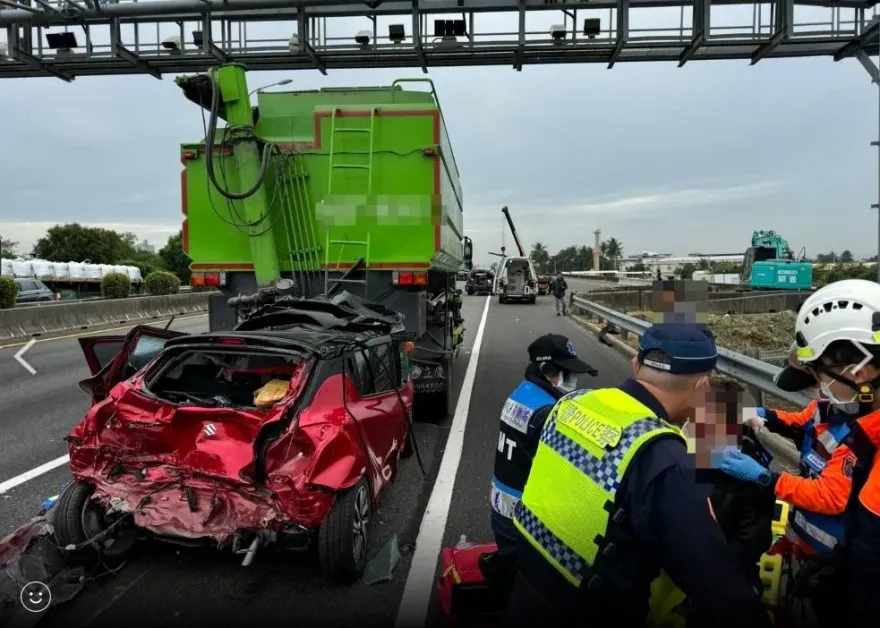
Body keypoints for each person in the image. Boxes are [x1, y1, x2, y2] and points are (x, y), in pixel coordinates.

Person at [503, 323, 773, 628]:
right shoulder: (663, 458)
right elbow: (721, 589)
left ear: (636, 365)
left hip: (526, 593)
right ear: (701, 387)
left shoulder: (572, 403)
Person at [490, 333, 598, 553]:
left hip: (502, 509)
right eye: (569, 374)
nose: (574, 380)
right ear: (547, 371)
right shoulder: (547, 413)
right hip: (525, 520)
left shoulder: (523, 393)